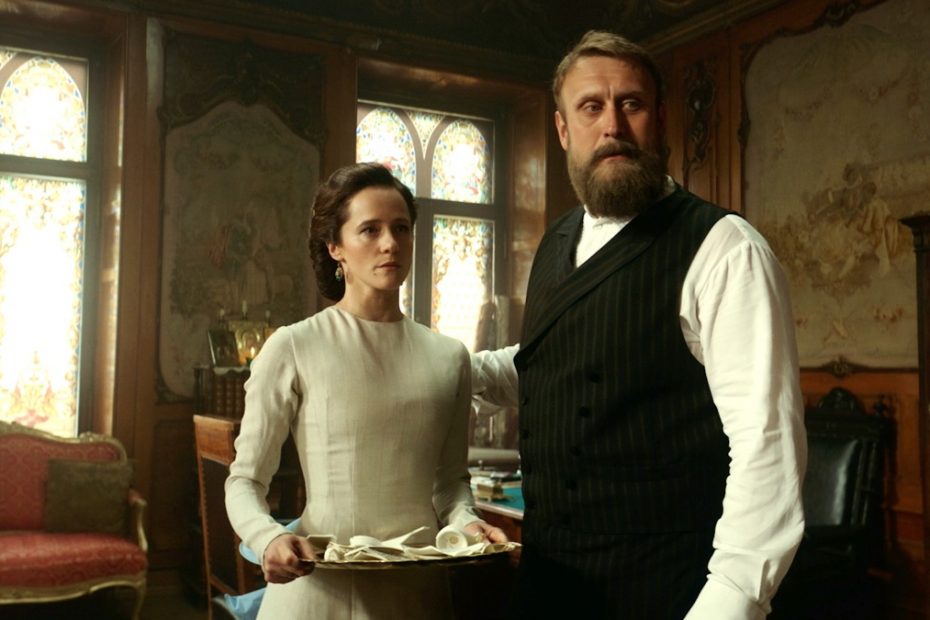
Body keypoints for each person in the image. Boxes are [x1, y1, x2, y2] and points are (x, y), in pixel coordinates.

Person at [471, 30, 806, 619]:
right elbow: (548, 365)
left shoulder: (725, 249)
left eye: (631, 103)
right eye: (591, 107)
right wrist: (433, 365)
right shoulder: (554, 241)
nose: (613, 126)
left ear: (662, 119)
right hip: (546, 586)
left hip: (668, 593)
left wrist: (730, 603)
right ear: (562, 129)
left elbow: (766, 445)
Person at [225, 162, 506, 619]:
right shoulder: (294, 346)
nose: (390, 243)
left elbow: (451, 484)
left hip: (417, 595)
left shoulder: (449, 356)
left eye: (401, 228)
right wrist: (268, 537)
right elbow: (245, 481)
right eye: (370, 230)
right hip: (318, 592)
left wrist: (468, 523)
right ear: (335, 246)